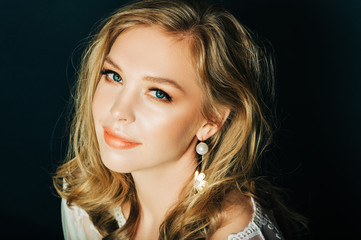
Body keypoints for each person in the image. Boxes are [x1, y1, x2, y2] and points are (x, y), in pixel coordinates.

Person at [53, 0, 305, 239]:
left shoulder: (232, 234)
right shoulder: (84, 202)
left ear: (211, 120)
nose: (119, 110)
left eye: (158, 94)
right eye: (114, 76)